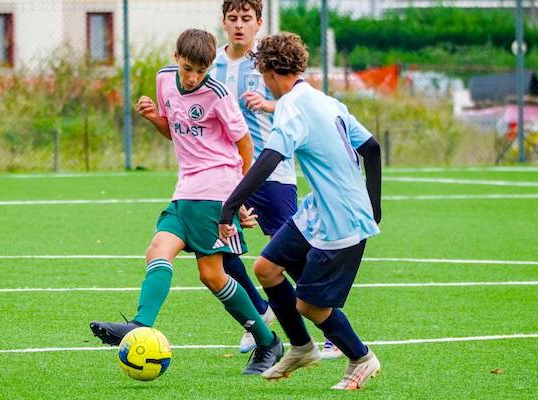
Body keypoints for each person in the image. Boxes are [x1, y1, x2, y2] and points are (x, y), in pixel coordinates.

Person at [89, 28, 283, 375]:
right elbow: (174, 129)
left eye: (201, 71)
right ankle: (139, 323)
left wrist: (239, 198)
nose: (193, 78)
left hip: (215, 188)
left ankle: (267, 341)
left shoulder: (218, 94)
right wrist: (153, 119)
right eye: (188, 68)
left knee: (211, 274)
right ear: (176, 58)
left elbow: (245, 147)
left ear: (210, 68)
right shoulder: (165, 80)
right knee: (157, 250)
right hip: (185, 188)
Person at [218, 33, 383, 389]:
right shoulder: (326, 101)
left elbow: (270, 157)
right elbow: (372, 148)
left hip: (341, 218)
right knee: (266, 268)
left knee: (309, 305)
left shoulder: (292, 105)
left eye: (263, 75)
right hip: (320, 210)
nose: (265, 83)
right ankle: (302, 347)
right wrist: (375, 203)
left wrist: (230, 204)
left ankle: (361, 357)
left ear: (270, 72)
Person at [212, 0, 305, 355]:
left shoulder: (268, 62)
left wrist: (268, 105)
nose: (239, 25)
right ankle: (259, 312)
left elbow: (302, 101)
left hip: (272, 170)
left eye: (246, 19)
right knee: (219, 249)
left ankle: (331, 328)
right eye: (232, 18)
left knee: (292, 254)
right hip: (228, 172)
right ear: (223, 22)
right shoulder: (213, 63)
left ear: (258, 23)